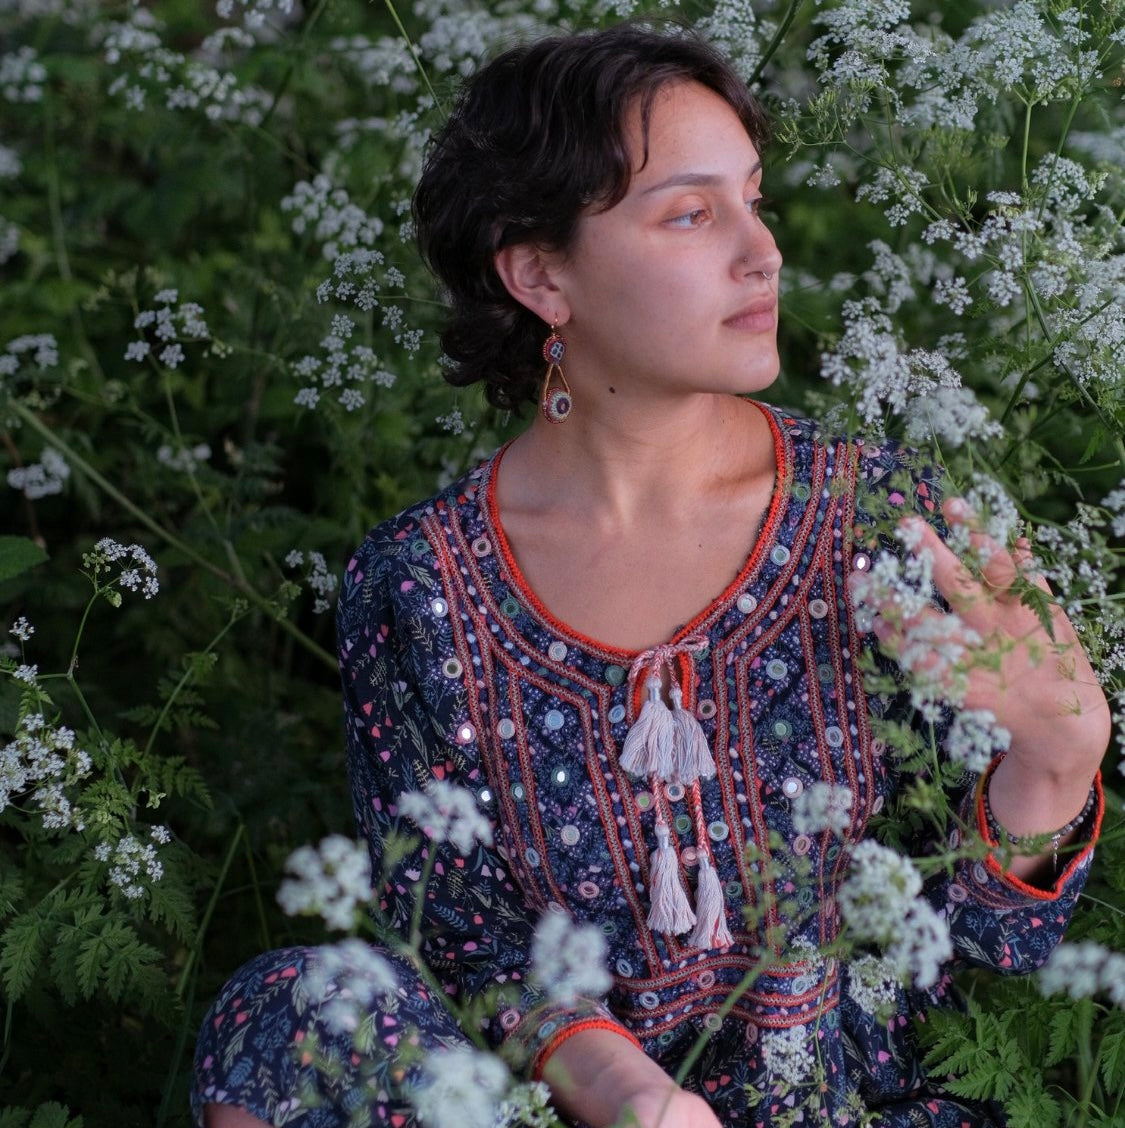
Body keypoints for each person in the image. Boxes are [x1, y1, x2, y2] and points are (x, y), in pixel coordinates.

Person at [193, 23, 1109, 1128]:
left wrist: (1055, 762)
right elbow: (463, 940)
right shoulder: (417, 585)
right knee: (292, 1008)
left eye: (754, 199)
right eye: (690, 213)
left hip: (860, 1106)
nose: (761, 251)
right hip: (583, 1110)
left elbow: (984, 952)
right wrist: (635, 1097)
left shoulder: (878, 520)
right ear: (540, 275)